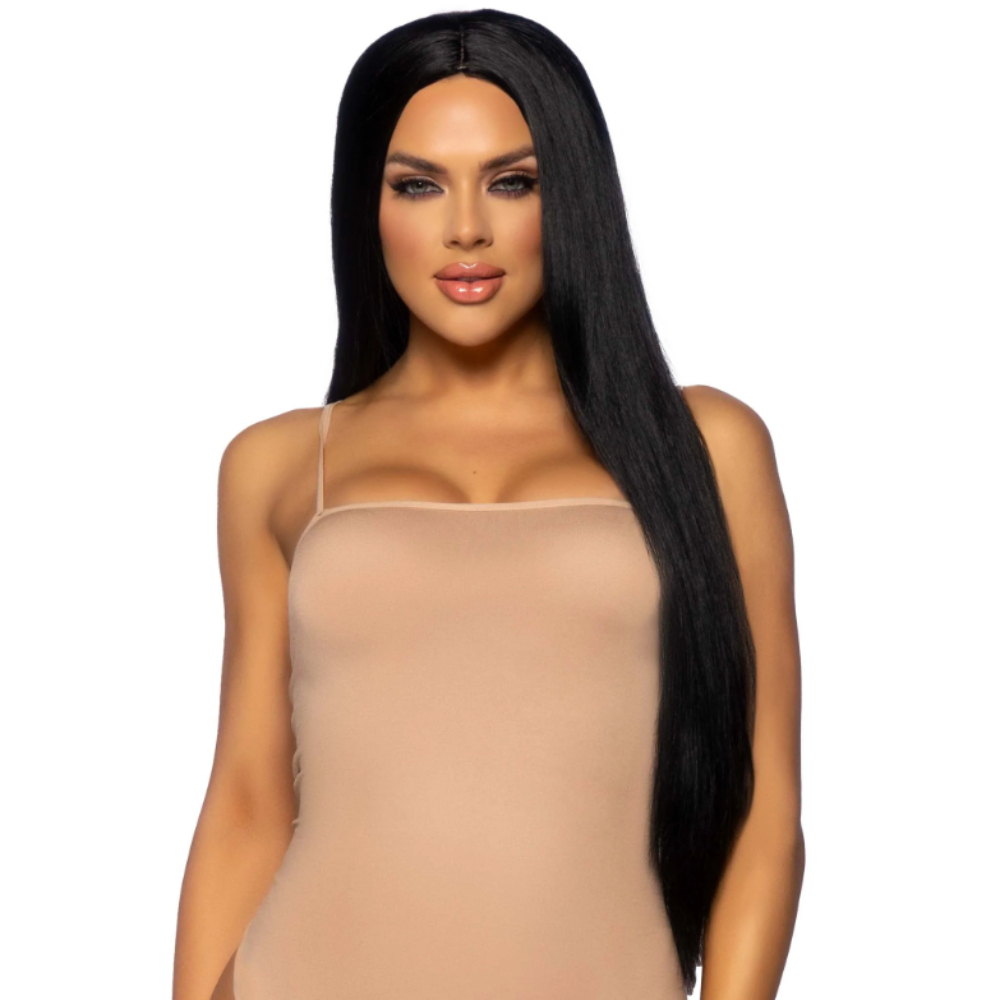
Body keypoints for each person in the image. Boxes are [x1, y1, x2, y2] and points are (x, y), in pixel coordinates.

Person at [173, 10, 804, 1000]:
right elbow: (248, 802)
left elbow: (762, 809)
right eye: (417, 185)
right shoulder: (278, 463)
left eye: (512, 182)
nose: (464, 227)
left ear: (574, 194)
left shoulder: (707, 446)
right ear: (365, 204)